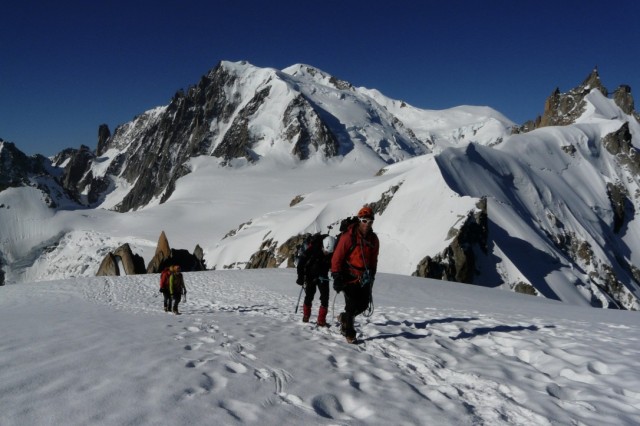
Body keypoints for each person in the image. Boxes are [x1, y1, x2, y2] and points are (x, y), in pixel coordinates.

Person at [331, 206, 379, 343]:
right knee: (351, 305)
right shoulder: (348, 237)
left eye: (370, 221)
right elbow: (337, 257)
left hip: (364, 277)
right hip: (348, 276)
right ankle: (349, 332)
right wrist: (336, 275)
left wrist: (372, 274)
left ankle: (345, 317)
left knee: (363, 304)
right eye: (364, 221)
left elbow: (374, 258)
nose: (367, 224)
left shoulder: (374, 240)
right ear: (359, 220)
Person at [297, 235, 336, 326]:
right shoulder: (312, 250)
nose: (327, 253)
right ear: (322, 246)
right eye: (326, 251)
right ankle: (306, 315)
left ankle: (321, 320)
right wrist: (300, 277)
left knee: (325, 297)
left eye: (329, 252)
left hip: (323, 276)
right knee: (309, 295)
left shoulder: (332, 252)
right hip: (310, 275)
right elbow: (301, 263)